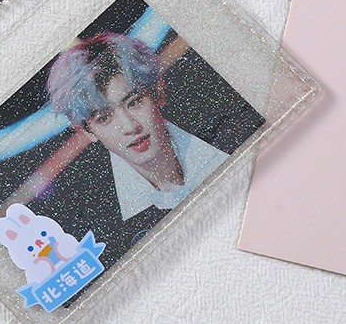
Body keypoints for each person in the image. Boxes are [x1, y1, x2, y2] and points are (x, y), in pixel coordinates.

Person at [46, 32, 228, 222]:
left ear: (157, 92)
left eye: (134, 102)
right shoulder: (107, 221)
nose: (130, 126)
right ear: (87, 131)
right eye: (104, 118)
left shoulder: (227, 135)